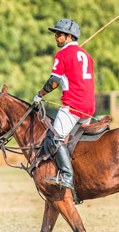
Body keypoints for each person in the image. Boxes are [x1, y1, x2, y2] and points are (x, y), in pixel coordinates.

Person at [32, 18, 95, 188]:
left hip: (73, 106)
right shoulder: (87, 56)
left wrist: (39, 95)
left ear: (68, 36)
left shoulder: (62, 55)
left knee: (55, 139)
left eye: (58, 34)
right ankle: (77, 176)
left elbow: (54, 82)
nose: (55, 37)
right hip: (89, 109)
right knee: (72, 143)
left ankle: (66, 176)